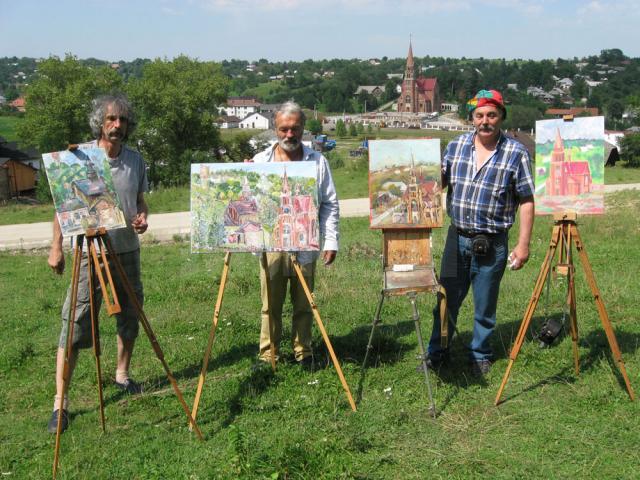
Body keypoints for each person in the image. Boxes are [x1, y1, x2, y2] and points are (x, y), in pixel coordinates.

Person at [47, 94, 149, 433]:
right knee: (74, 323)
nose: (117, 125)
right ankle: (60, 403)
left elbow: (139, 200)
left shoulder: (136, 160)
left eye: (122, 120)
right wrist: (56, 248)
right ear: (100, 123)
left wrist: (142, 217)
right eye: (111, 120)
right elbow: (63, 207)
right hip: (90, 254)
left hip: (126, 251)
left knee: (130, 315)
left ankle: (122, 375)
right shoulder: (79, 158)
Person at [427, 89, 535, 376]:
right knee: (446, 298)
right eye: (479, 115)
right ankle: (437, 351)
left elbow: (526, 200)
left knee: (485, 304)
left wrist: (523, 245)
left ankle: (480, 354)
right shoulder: (456, 146)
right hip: (457, 237)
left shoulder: (516, 153)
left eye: (491, 115)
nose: (485, 121)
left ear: (501, 117)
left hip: (493, 242)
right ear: (472, 118)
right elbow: (437, 182)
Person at [252, 101, 339, 368]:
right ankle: (269, 355)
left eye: (295, 128)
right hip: (272, 245)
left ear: (303, 128)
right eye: (284, 129)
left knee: (304, 302)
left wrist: (331, 239)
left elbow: (329, 203)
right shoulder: (260, 161)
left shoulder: (317, 161)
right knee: (271, 304)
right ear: (275, 129)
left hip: (306, 243)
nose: (290, 134)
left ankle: (304, 352)